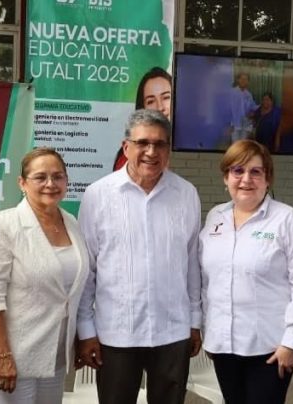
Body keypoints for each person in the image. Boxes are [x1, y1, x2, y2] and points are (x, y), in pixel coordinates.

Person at [77, 109, 202, 404]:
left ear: (168, 148)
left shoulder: (186, 194)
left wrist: (195, 321)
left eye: (160, 144)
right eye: (143, 142)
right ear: (126, 147)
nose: (151, 151)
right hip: (116, 333)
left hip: (172, 332)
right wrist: (86, 330)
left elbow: (192, 263)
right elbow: (88, 269)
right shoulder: (98, 195)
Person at [200, 139, 293, 404]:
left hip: (270, 348)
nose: (246, 179)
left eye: (256, 171)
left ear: (268, 179)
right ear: (225, 177)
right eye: (237, 171)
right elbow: (208, 282)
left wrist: (292, 342)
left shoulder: (288, 220)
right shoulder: (215, 218)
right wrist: (209, 330)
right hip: (224, 345)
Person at [0, 147, 89, 404]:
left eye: (58, 176)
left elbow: (70, 293)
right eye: (40, 177)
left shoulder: (71, 222)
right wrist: (2, 356)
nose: (50, 184)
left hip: (55, 357)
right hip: (13, 359)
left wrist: (80, 338)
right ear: (22, 183)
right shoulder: (1, 225)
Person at [113, 67, 172, 170]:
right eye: (151, 101)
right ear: (142, 107)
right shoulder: (126, 156)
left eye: (166, 97)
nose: (160, 107)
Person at [227, 72, 258, 142]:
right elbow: (227, 109)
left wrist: (262, 105)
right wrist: (229, 124)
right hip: (234, 125)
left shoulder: (249, 94)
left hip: (245, 125)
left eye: (246, 79)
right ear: (238, 80)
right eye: (242, 79)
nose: (244, 81)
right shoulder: (231, 92)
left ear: (248, 82)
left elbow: (252, 107)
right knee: (235, 146)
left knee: (243, 145)